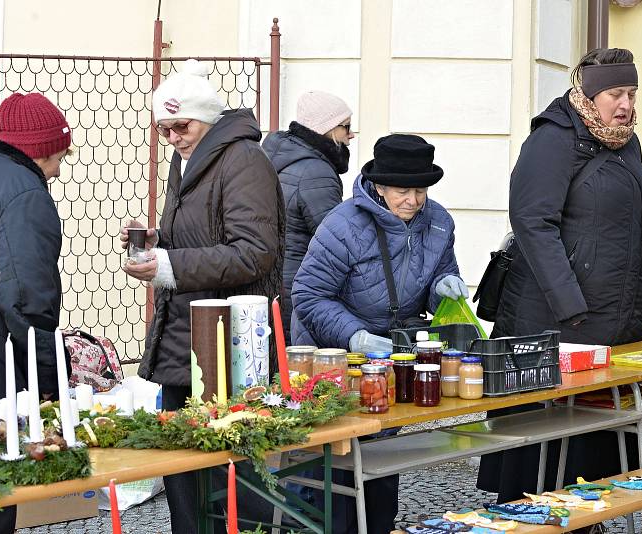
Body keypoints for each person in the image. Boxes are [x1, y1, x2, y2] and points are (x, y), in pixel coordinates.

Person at [477, 47, 642, 528]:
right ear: (589, 94)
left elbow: (630, 228)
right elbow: (533, 222)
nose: (625, 104)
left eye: (631, 93)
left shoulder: (625, 143)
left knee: (594, 443)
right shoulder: (553, 139)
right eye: (615, 93)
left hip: (611, 316)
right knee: (547, 444)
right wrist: (570, 304)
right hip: (555, 318)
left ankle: (585, 522)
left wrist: (641, 300)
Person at [120, 59, 284, 534]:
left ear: (207, 120)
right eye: (164, 128)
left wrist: (169, 266)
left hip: (228, 340)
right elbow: (197, 238)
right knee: (182, 463)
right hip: (188, 332)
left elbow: (255, 252)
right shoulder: (190, 158)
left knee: (231, 468)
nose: (172, 136)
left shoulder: (243, 160)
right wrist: (154, 244)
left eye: (181, 125)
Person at [291, 134, 468, 534]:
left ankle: (379, 525)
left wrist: (444, 283)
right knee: (340, 454)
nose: (413, 200)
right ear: (380, 187)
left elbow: (441, 270)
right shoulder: (344, 225)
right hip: (337, 357)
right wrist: (353, 335)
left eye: (420, 190)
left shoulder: (438, 222)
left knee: (384, 448)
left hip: (392, 354)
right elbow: (308, 294)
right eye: (402, 190)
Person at [0, 92, 71, 533]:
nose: (59, 170)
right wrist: (47, 386)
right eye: (59, 156)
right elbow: (27, 302)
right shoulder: (26, 195)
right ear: (40, 148)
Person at [262, 90, 354, 344]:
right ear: (326, 128)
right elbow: (335, 241)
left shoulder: (279, 156)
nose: (351, 135)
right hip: (301, 285)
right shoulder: (316, 172)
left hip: (272, 279)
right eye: (346, 127)